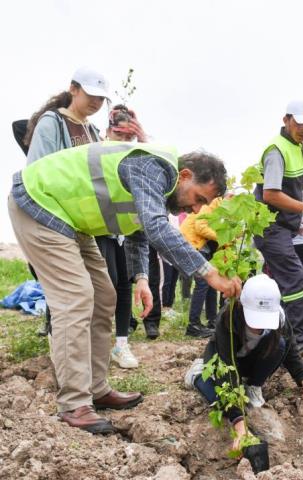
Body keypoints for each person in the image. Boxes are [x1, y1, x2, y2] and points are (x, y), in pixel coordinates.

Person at [8, 140, 242, 434]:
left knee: (105, 297)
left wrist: (142, 279)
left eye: (200, 206)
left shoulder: (157, 186)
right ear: (184, 175)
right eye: (197, 198)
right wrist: (209, 273)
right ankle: (74, 403)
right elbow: (156, 227)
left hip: (69, 221)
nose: (194, 208)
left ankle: (95, 387)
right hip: (38, 203)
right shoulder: (153, 166)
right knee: (76, 298)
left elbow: (139, 233)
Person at [184, 274, 303, 450]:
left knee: (279, 344)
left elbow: (290, 348)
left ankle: (252, 387)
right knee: (215, 394)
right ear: (242, 306)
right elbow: (227, 369)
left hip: (250, 361)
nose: (258, 326)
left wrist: (302, 377)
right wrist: (239, 422)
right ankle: (196, 376)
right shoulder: (228, 318)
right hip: (224, 361)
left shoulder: (279, 316)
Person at [23, 66, 109, 337]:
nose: (96, 102)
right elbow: (36, 174)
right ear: (73, 89)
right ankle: (65, 355)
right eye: (91, 95)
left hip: (81, 226)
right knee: (73, 296)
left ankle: (84, 357)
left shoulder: (93, 131)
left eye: (101, 98)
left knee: (102, 293)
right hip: (55, 220)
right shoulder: (52, 123)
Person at [253, 100, 303, 354]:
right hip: (269, 226)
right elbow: (272, 195)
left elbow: (298, 179)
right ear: (286, 119)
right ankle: (300, 339)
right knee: (295, 277)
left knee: (283, 281)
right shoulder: (276, 151)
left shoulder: (296, 146)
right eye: (299, 123)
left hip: (283, 226)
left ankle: (275, 332)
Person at [103, 105, 148, 368]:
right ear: (107, 132)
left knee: (123, 285)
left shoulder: (133, 162)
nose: (123, 144)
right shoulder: (95, 152)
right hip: (96, 231)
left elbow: (140, 233)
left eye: (128, 139)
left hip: (119, 234)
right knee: (101, 288)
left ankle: (121, 345)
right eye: (119, 137)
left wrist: (141, 275)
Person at [180, 197, 223, 337]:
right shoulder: (210, 204)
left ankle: (213, 321)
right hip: (194, 245)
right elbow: (200, 227)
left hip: (202, 248)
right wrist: (222, 238)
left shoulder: (219, 208)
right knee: (203, 283)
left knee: (211, 283)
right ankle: (193, 325)